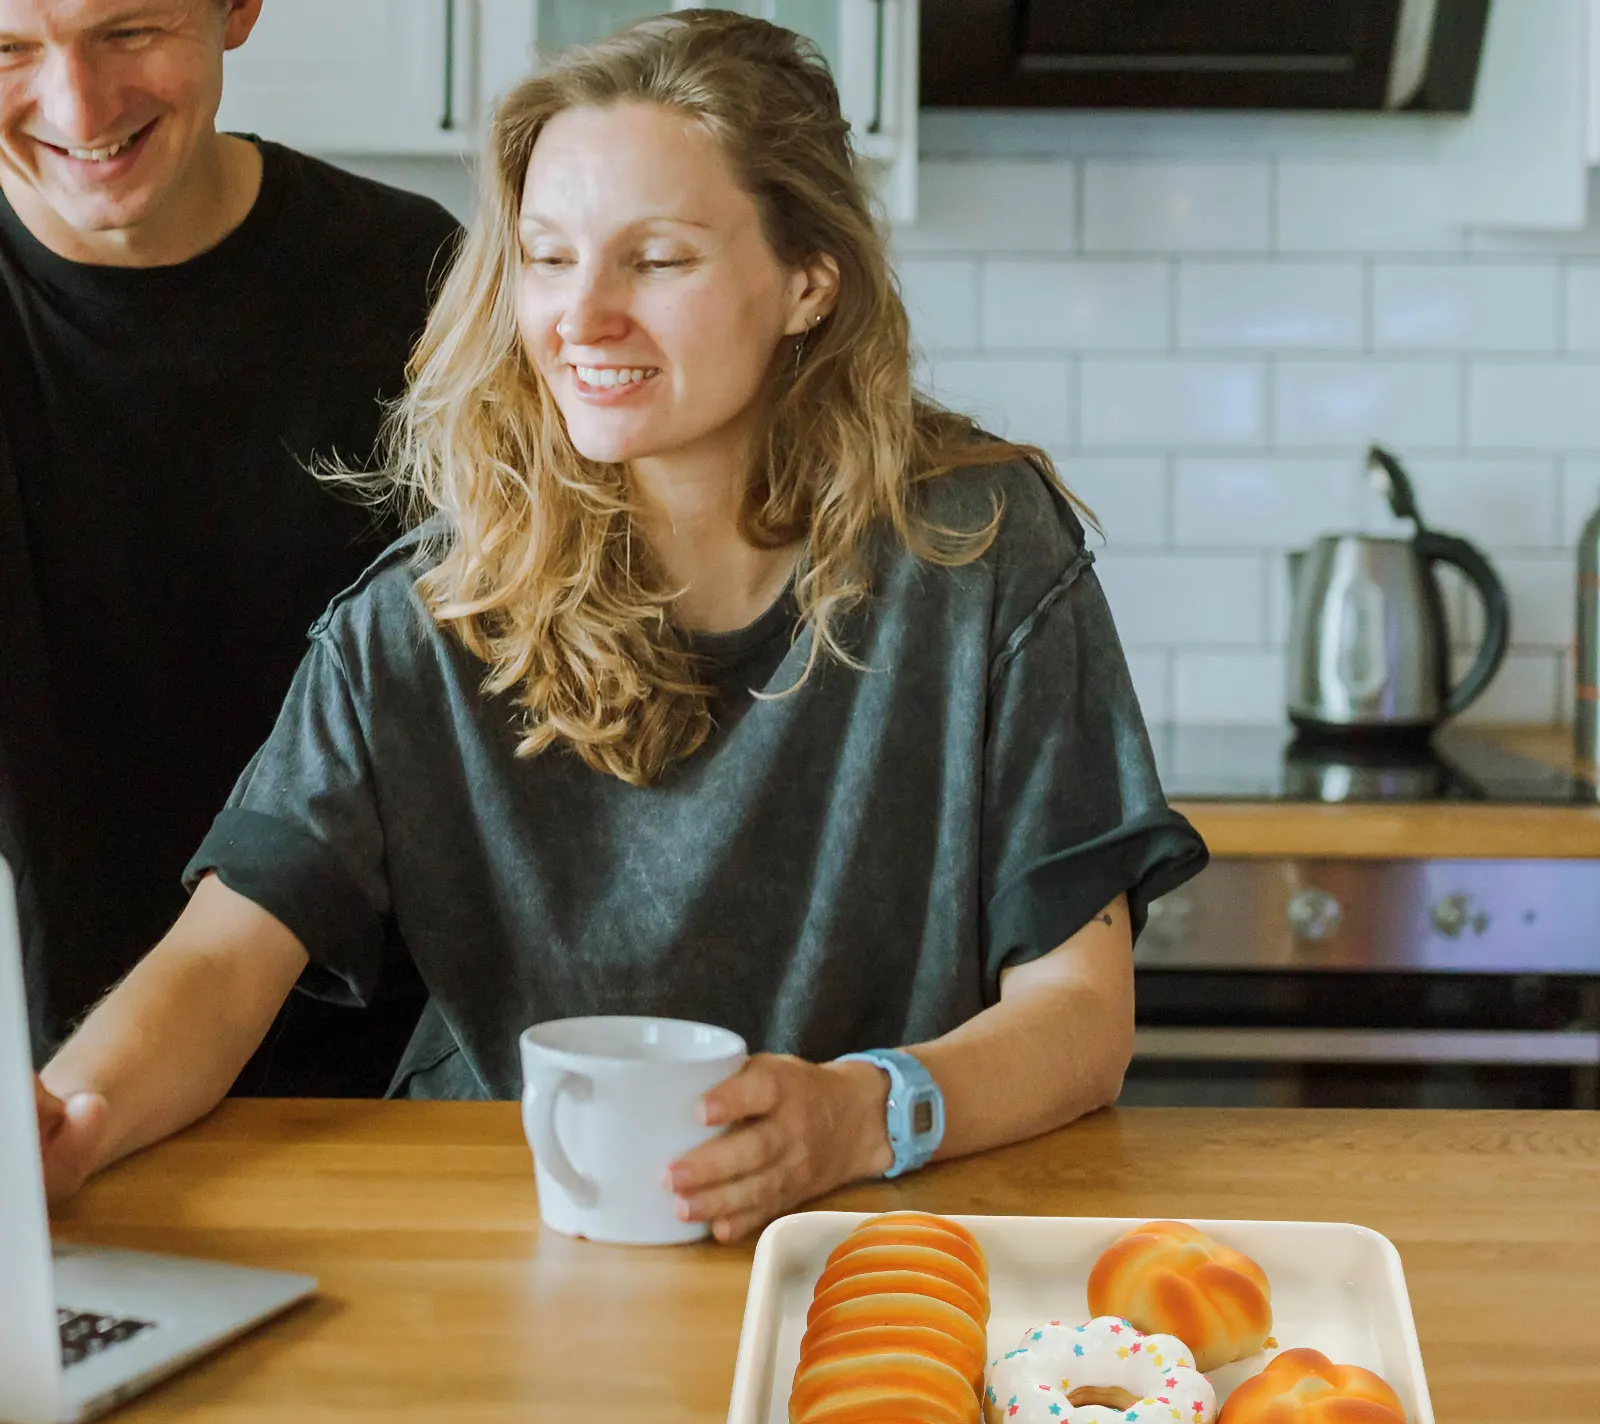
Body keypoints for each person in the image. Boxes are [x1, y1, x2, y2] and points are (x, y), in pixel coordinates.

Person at [34, 9, 1207, 1241]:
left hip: (878, 1249)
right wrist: (70, 1122)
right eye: (548, 257)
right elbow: (220, 964)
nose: (581, 318)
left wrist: (864, 1115)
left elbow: (1081, 1014)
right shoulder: (430, 615)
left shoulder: (977, 554)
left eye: (655, 260)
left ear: (809, 279)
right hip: (520, 1255)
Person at [0, 0, 459, 1093]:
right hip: (36, 1098)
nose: (79, 104)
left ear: (237, 7)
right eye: (7, 49)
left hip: (375, 1088)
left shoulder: (418, 281)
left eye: (128, 30)